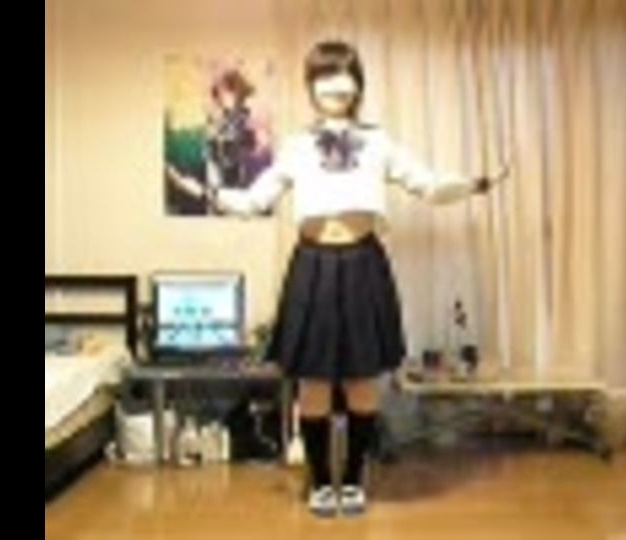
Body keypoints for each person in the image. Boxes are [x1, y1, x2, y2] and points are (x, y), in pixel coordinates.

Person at [184, 40, 502, 518]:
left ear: (358, 84)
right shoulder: (296, 146)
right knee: (312, 383)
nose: (335, 85)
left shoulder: (379, 141)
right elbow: (255, 200)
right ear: (311, 86)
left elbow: (429, 185)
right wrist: (212, 193)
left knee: (360, 382)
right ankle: (320, 482)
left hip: (363, 264)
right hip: (311, 265)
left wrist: (476, 184)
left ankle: (352, 480)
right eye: (324, 76)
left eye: (344, 75)